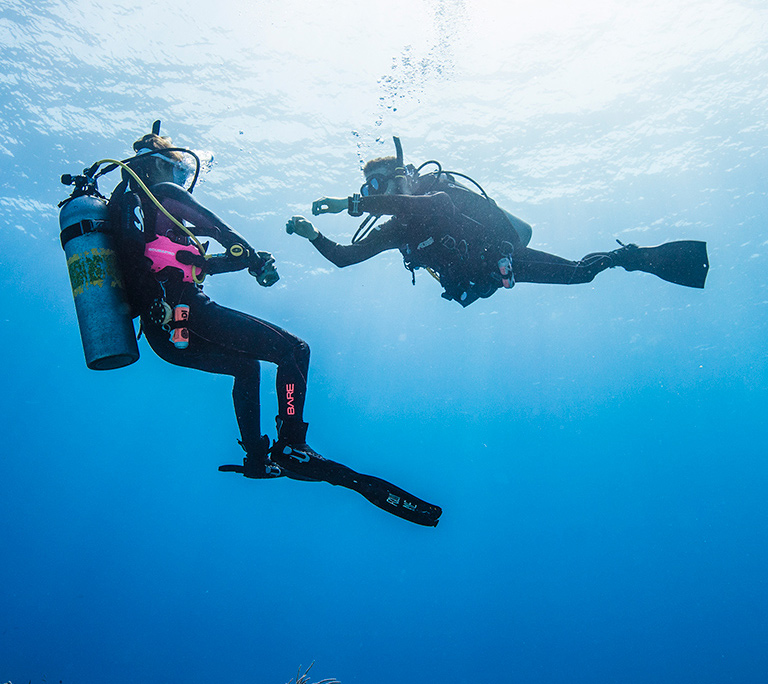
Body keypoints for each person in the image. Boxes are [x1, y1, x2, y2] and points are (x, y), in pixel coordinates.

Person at [102, 124, 441, 526]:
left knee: (245, 366)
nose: (181, 182)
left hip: (164, 336)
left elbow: (200, 265)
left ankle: (258, 459)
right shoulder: (166, 195)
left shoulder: (131, 216)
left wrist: (238, 261)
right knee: (294, 350)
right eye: (178, 171)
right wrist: (256, 259)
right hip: (190, 312)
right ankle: (294, 445)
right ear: (160, 165)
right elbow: (224, 235)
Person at [286, 137, 709, 307]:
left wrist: (354, 205)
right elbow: (344, 258)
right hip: (482, 280)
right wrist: (312, 236)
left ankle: (632, 257)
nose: (376, 192)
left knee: (581, 275)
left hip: (504, 257)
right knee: (579, 278)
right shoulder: (395, 228)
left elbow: (433, 209)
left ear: (404, 177)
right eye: (369, 187)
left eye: (381, 184)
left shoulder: (437, 191)